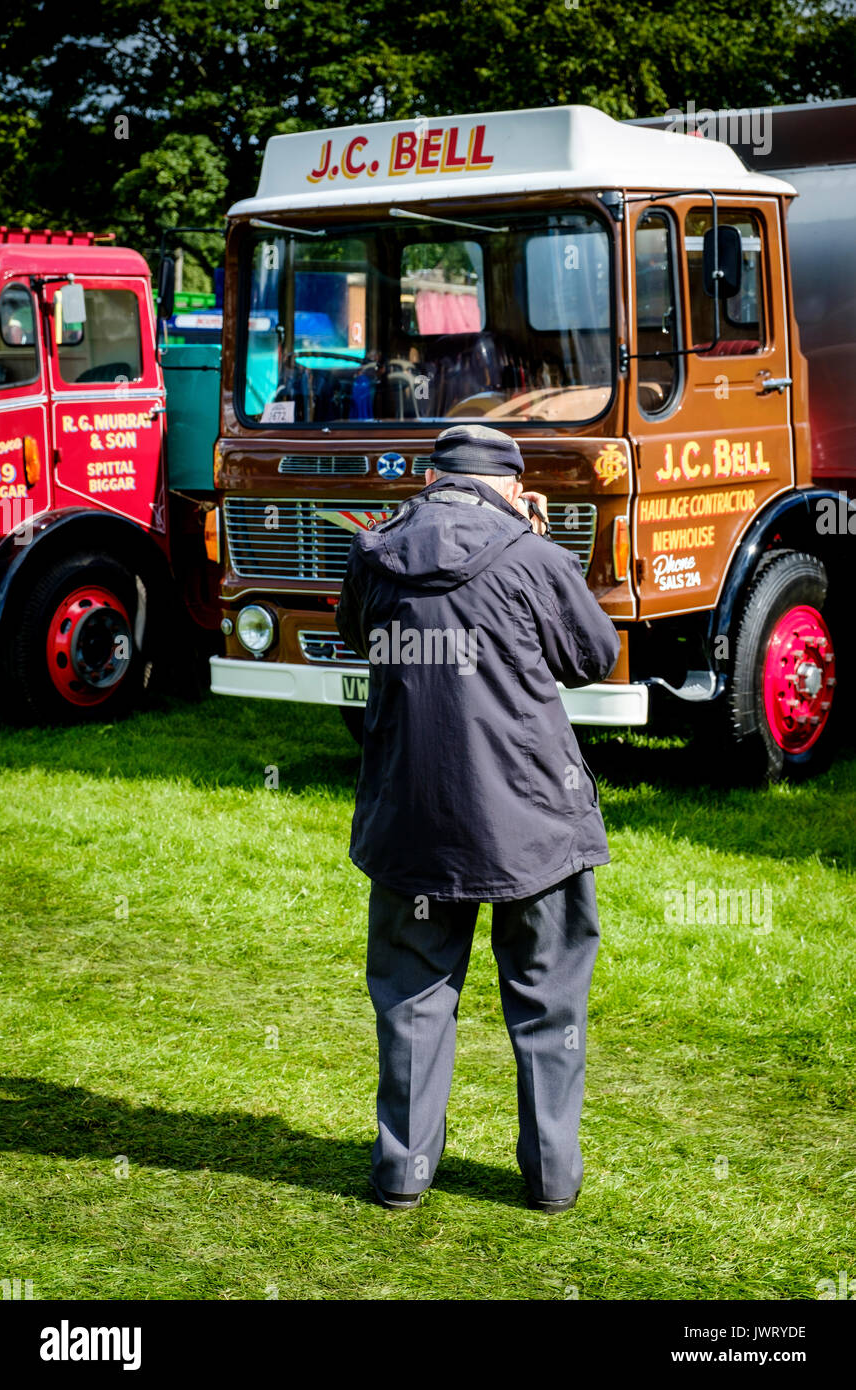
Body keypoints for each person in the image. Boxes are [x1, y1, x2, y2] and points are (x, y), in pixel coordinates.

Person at [335, 423, 621, 1213]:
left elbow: (355, 634)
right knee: (547, 998)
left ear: (434, 480)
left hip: (410, 816)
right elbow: (593, 658)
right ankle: (552, 1178)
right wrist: (538, 540)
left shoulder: (375, 551)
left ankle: (403, 1172)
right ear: (507, 485)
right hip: (531, 816)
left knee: (412, 996)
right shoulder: (532, 555)